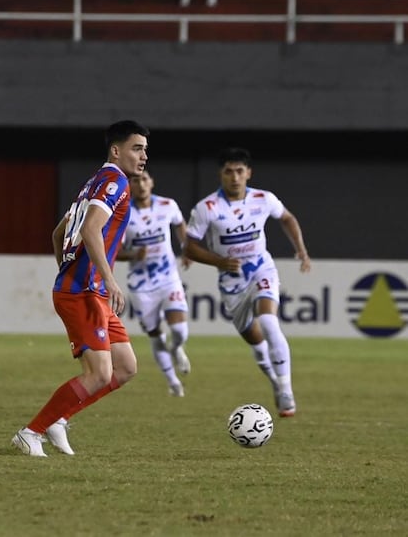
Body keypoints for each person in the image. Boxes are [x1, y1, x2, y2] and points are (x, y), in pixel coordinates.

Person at [11, 120, 149, 457]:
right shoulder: (114, 180)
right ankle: (31, 432)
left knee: (126, 367)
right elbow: (90, 230)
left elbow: (59, 234)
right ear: (116, 151)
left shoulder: (92, 184)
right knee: (99, 373)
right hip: (85, 292)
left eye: (145, 149)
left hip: (89, 290)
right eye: (137, 148)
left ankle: (59, 418)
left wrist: (69, 270)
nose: (144, 155)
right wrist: (105, 279)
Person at [184, 147, 310, 418]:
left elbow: (287, 218)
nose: (234, 177)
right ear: (221, 174)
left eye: (240, 171)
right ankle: (276, 383)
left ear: (248, 173)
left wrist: (300, 248)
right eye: (229, 171)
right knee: (254, 340)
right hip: (231, 282)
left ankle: (286, 389)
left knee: (267, 321)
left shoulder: (264, 199)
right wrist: (219, 262)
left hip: (261, 268)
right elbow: (189, 247)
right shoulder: (207, 208)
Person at [116, 170, 192, 397]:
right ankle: (172, 382)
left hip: (168, 278)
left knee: (179, 330)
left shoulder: (168, 205)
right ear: (130, 186)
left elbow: (179, 224)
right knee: (155, 334)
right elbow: (115, 251)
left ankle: (177, 348)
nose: (140, 184)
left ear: (151, 182)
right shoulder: (123, 213)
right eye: (135, 180)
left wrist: (186, 248)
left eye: (144, 179)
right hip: (141, 285)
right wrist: (133, 255)